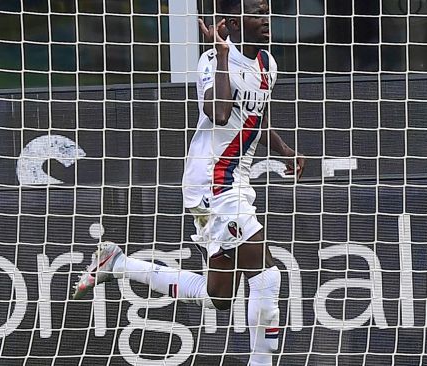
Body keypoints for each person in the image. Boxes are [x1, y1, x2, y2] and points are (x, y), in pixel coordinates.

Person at [72, 0, 304, 365]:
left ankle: (118, 264)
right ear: (231, 21)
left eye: (266, 10)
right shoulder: (212, 61)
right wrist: (224, 53)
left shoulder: (268, 65)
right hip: (212, 181)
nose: (266, 18)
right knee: (267, 275)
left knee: (219, 296)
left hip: (236, 180)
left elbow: (256, 113)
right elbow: (220, 111)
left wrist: (284, 149)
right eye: (257, 12)